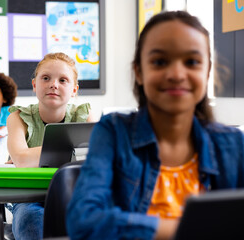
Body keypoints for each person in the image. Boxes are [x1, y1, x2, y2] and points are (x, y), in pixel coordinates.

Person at [66, 11, 244, 240]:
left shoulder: (232, 144)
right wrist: (186, 229)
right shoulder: (113, 132)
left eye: (192, 62)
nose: (177, 74)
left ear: (207, 70)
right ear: (139, 71)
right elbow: (83, 221)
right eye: (160, 61)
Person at [6, 52, 95, 239]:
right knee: (31, 219)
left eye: (63, 80)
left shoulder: (85, 116)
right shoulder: (18, 117)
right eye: (46, 78)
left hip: (73, 194)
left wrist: (34, 156)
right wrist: (70, 151)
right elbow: (21, 160)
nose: (54, 84)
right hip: (28, 197)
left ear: (74, 90)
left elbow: (96, 159)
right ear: (34, 85)